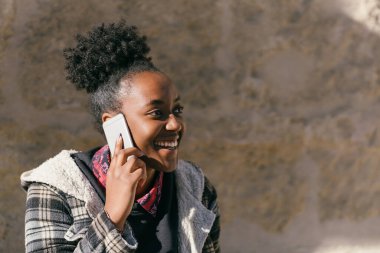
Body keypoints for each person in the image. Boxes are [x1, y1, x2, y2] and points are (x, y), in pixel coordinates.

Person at [20, 20, 220, 253]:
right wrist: (112, 216)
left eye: (177, 110)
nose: (175, 124)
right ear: (113, 124)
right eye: (157, 113)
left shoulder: (196, 188)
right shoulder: (56, 187)